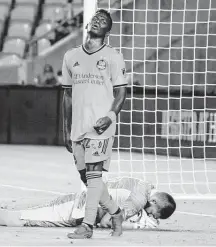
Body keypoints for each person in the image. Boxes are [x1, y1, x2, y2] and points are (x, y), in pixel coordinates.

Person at [62, 9, 128, 238]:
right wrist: (66, 128)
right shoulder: (70, 56)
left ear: (108, 31)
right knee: (87, 178)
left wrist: (109, 117)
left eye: (104, 21)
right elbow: (67, 96)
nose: (98, 21)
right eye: (96, 18)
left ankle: (87, 226)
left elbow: (121, 93)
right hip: (78, 127)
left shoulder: (113, 56)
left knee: (93, 173)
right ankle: (116, 212)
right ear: (89, 24)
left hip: (101, 126)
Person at [0, 177, 176, 231]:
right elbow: (113, 216)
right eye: (155, 213)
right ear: (154, 201)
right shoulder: (140, 193)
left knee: (24, 218)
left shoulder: (140, 192)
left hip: (78, 208)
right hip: (77, 207)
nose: (152, 216)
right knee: (18, 218)